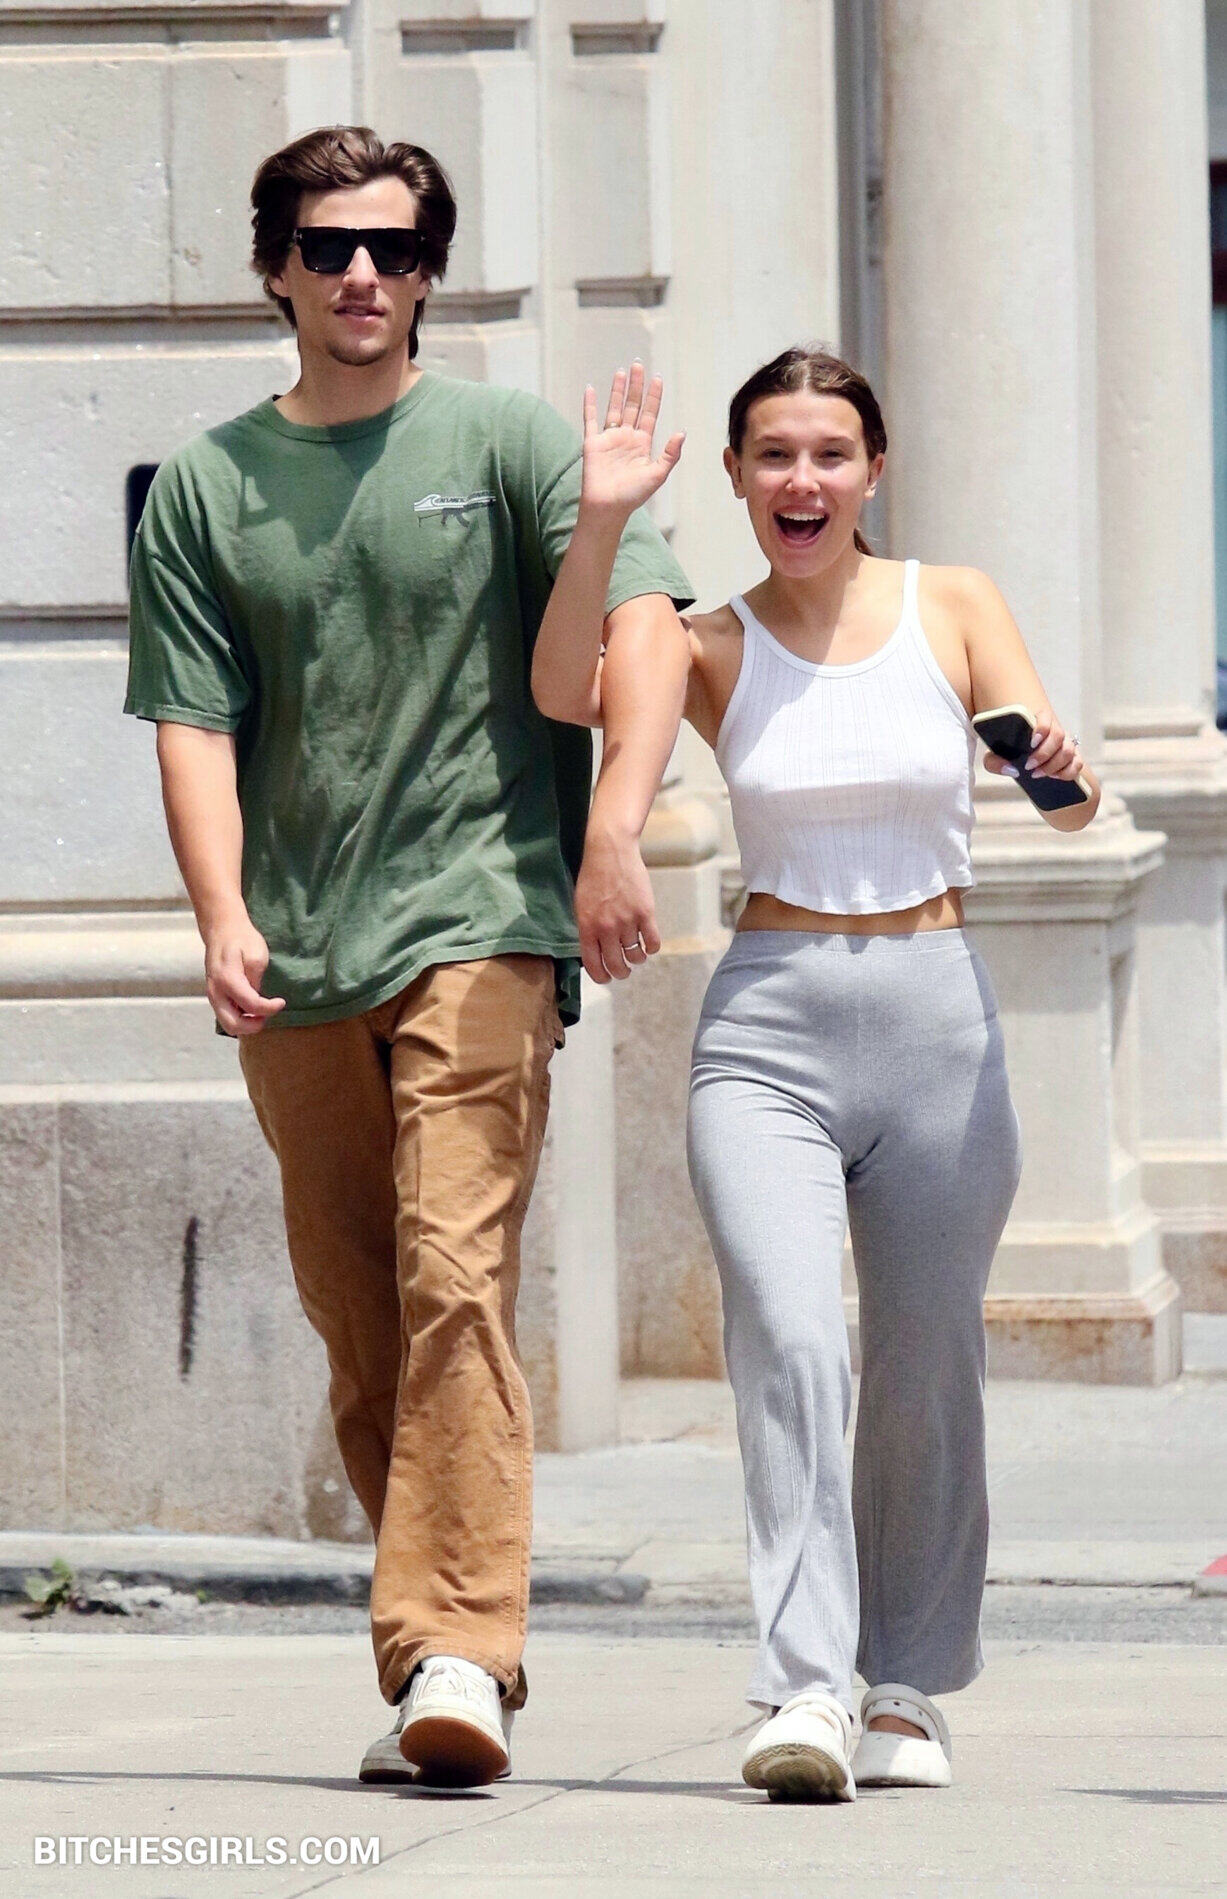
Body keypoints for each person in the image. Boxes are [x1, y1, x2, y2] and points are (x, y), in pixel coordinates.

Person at [123, 124, 692, 1789]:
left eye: (395, 247)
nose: (363, 273)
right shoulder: (211, 485)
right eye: (329, 247)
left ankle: (456, 1648)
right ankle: (441, 1644)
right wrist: (221, 913)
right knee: (361, 1313)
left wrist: (612, 831)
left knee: (455, 1273)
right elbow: (192, 722)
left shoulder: (510, 441)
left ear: (433, 271)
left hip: (482, 915)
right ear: (278, 270)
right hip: (300, 945)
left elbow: (634, 642)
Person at [531, 345, 1101, 1802]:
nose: (803, 479)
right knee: (791, 1341)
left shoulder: (953, 604)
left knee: (926, 1359)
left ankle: (905, 1686)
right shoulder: (702, 640)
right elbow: (559, 688)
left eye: (831, 453)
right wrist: (603, 521)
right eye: (774, 455)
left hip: (937, 1019)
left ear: (873, 470)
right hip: (768, 1028)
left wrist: (1050, 761)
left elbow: (1071, 800)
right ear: (735, 477)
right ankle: (803, 1687)